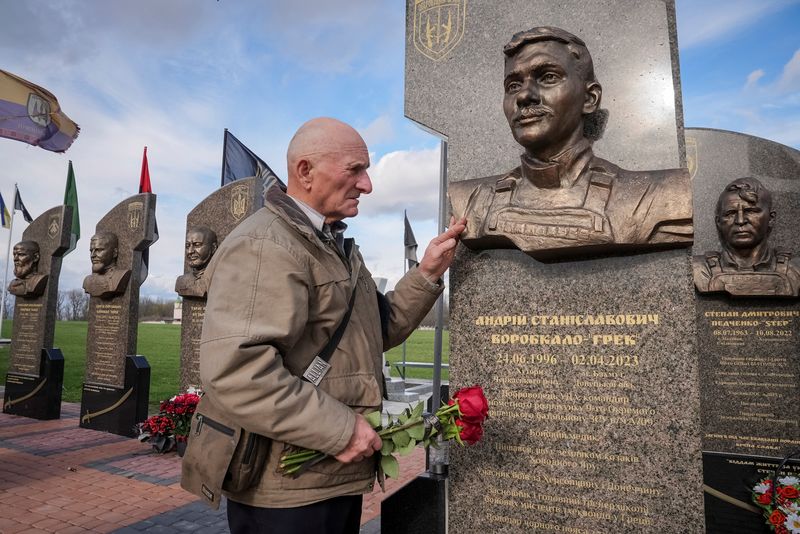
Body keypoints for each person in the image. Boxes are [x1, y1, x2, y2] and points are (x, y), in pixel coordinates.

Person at [196, 117, 466, 534]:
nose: (368, 185)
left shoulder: (328, 242)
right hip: (288, 489)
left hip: (324, 475)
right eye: (355, 170)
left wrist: (426, 275)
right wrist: (341, 430)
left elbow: (377, 330)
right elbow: (237, 371)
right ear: (305, 171)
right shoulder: (266, 244)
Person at [448, 26, 693, 259]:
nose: (524, 95)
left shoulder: (655, 197)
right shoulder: (470, 201)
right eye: (513, 85)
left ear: (589, 98)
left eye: (548, 77)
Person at [693, 177, 800, 297]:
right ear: (718, 222)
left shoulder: (795, 269)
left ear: (771, 218)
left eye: (751, 211)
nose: (740, 221)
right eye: (730, 213)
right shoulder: (697, 270)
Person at [82, 232, 131, 299]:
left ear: (114, 253)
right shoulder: (87, 280)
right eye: (91, 251)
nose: (92, 255)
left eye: (98, 250)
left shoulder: (121, 275)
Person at [175, 226, 218, 298]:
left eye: (197, 245)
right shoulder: (181, 281)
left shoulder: (221, 280)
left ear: (213, 248)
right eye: (187, 246)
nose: (190, 251)